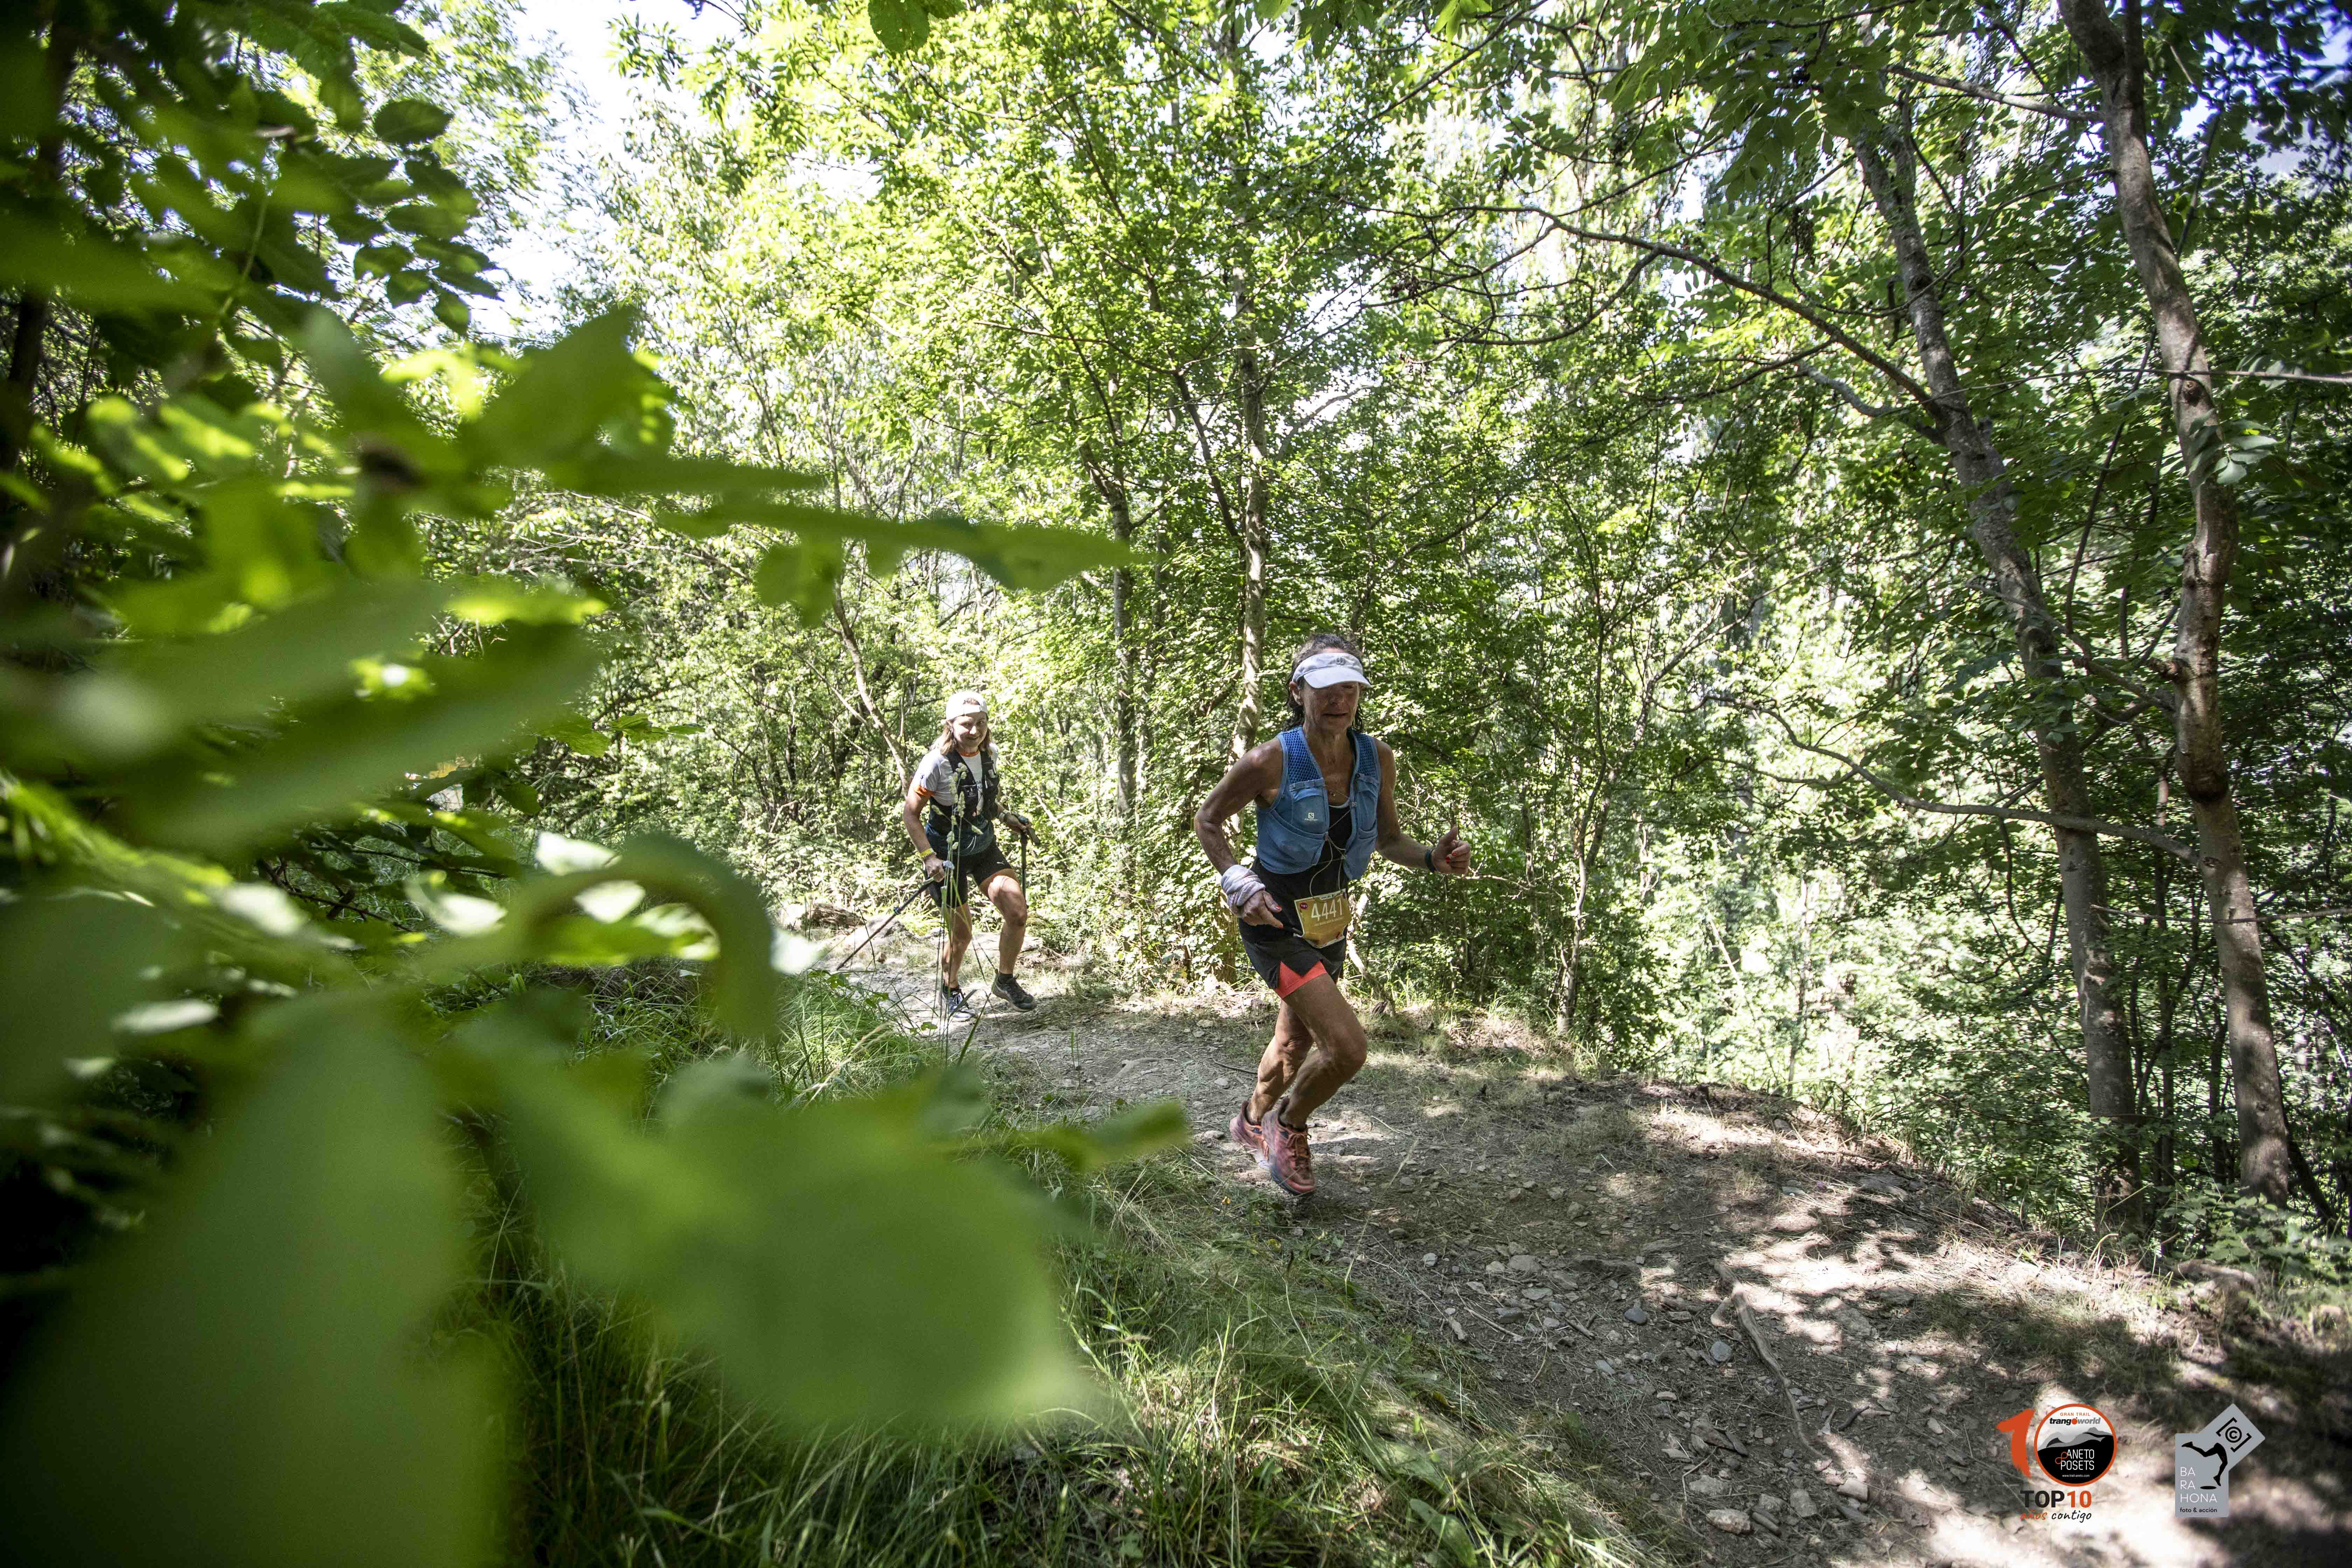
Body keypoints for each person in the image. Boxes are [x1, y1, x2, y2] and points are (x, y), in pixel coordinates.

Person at [1193, 634, 1469, 1195]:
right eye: (1325, 689)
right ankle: (1287, 1126)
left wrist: (1432, 860)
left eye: (1351, 688)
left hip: (1330, 921)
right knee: (1346, 1048)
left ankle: (1248, 1122)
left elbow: (1389, 840)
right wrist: (1237, 883)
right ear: (1299, 692)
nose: (1340, 700)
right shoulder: (1270, 759)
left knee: (1295, 1044)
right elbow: (1207, 819)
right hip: (1272, 921)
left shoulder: (1377, 758)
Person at [901, 690, 1036, 1016]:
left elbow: (983, 802)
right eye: (966, 725)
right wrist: (928, 857)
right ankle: (950, 989)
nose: (974, 731)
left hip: (983, 845)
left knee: (1017, 912)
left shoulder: (989, 753)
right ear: (951, 725)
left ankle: (1005, 981)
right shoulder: (936, 763)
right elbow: (910, 813)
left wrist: (1006, 817)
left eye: (981, 723)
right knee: (962, 932)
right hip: (946, 855)